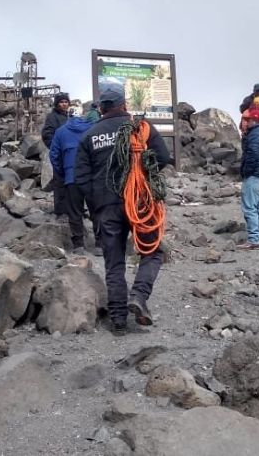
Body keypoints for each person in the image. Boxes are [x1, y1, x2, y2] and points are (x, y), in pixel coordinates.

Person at [75, 86, 171, 336]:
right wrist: (144, 177)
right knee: (153, 251)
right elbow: (162, 156)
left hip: (106, 207)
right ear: (124, 105)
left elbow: (81, 178)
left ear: (102, 108)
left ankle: (118, 320)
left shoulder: (90, 136)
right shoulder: (142, 128)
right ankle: (138, 295)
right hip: (139, 202)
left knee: (114, 261)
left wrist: (96, 205)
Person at [50, 112, 100, 254]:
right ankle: (100, 245)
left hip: (71, 178)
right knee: (96, 210)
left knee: (74, 211)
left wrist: (63, 173)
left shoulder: (60, 131)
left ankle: (78, 246)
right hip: (91, 177)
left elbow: (54, 155)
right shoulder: (94, 129)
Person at [238, 108, 259, 250]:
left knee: (250, 208)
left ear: (254, 120)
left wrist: (248, 170)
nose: (247, 123)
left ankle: (254, 240)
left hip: (254, 176)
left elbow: (252, 153)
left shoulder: (255, 134)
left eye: (249, 120)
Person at [42, 93, 71, 218]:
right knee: (59, 182)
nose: (64, 104)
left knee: (69, 181)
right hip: (60, 155)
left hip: (69, 155)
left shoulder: (68, 116)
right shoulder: (52, 117)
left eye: (66, 102)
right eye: (61, 102)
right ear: (57, 104)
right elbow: (47, 134)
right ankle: (60, 211)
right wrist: (56, 149)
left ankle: (70, 209)